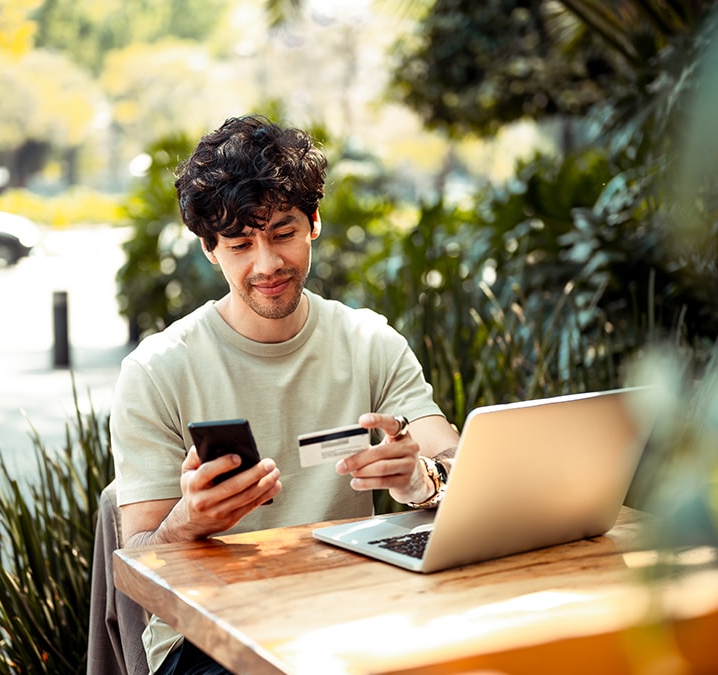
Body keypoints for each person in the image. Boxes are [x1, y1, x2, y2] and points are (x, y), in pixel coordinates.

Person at [110, 114, 460, 675]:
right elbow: (141, 558)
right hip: (207, 639)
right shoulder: (157, 370)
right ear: (209, 248)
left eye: (282, 234)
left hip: (353, 609)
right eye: (241, 243)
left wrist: (422, 481)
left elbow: (456, 467)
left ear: (314, 224)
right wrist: (189, 520)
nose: (267, 264)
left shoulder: (370, 342)